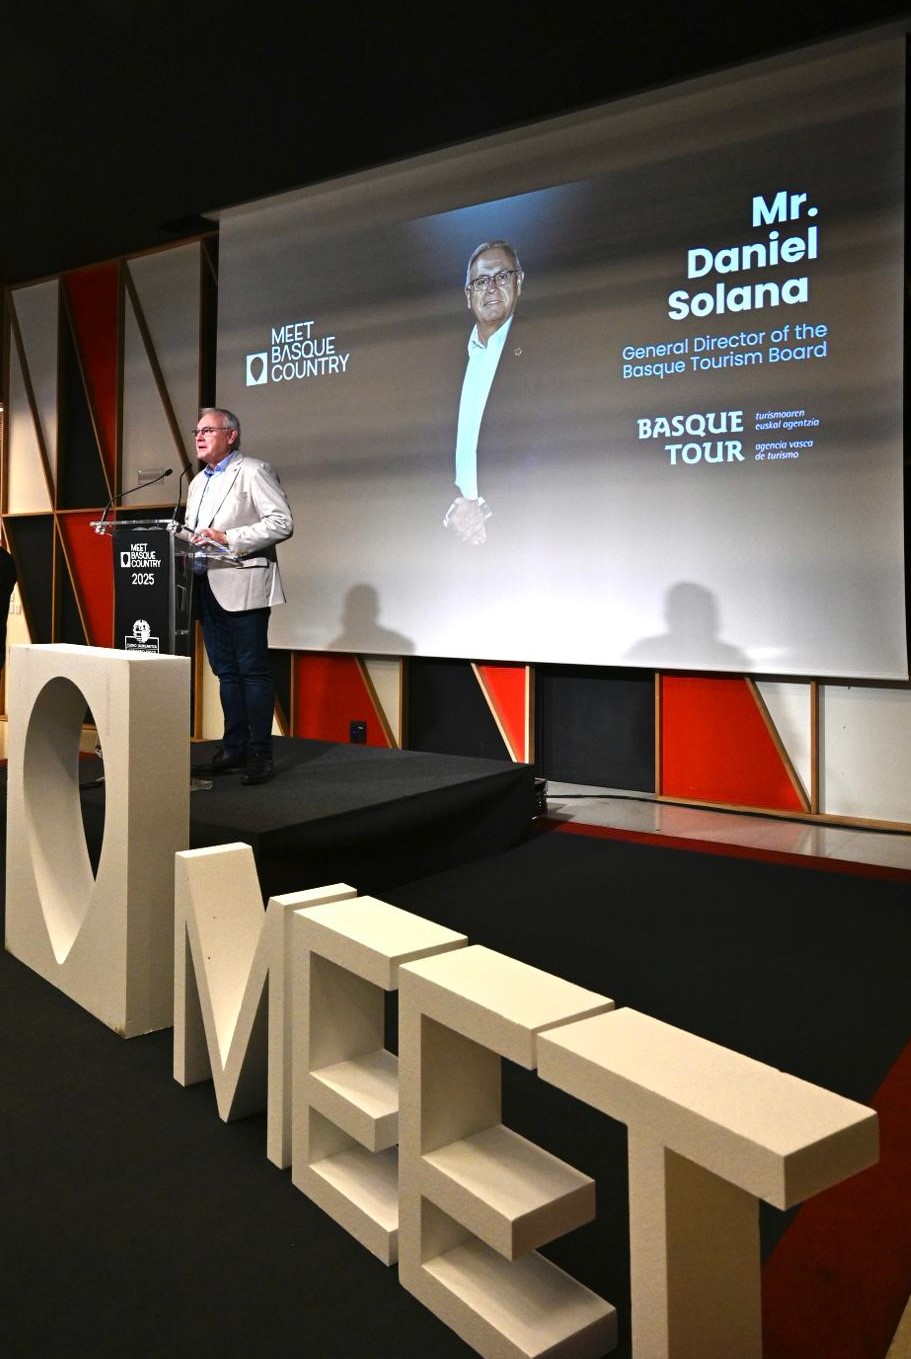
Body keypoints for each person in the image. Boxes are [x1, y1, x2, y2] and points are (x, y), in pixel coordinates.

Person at [186, 408, 293, 785]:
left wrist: (228, 538)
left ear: (231, 435)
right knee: (226, 672)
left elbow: (282, 523)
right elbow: (194, 533)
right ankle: (234, 749)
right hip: (206, 583)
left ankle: (260, 754)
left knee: (251, 670)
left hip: (244, 583)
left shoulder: (253, 471)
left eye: (208, 430)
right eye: (197, 431)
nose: (199, 437)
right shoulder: (196, 482)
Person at [443, 239, 526, 546]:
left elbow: (549, 446)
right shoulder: (445, 360)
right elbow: (425, 448)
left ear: (519, 282)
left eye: (501, 276)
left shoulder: (544, 352)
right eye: (481, 281)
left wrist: (486, 510)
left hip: (519, 535)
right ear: (469, 295)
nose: (491, 288)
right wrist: (453, 510)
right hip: (447, 535)